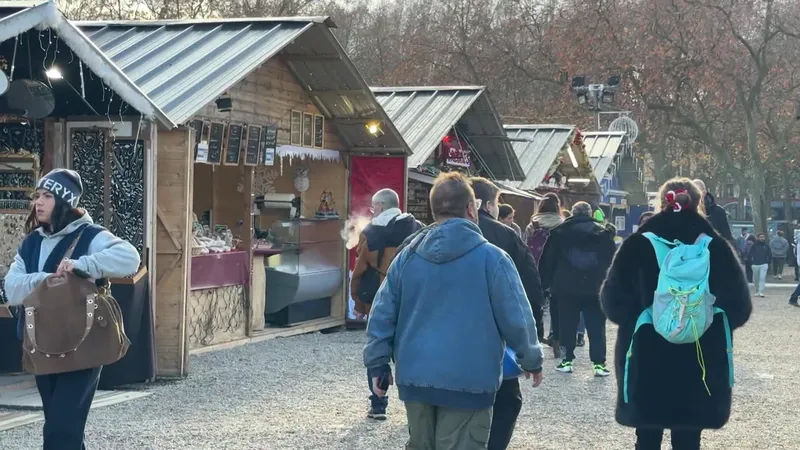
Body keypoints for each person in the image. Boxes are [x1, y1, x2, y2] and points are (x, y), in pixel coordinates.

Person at [364, 172, 544, 450]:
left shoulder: (407, 257)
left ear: (434, 211)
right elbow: (517, 317)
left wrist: (377, 363)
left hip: (416, 380)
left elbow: (382, 313)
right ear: (472, 209)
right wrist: (531, 358)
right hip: (470, 382)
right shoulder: (493, 259)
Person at [601, 177, 752, 450]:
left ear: (661, 203)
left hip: (646, 357)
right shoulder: (716, 247)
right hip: (699, 357)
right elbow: (740, 308)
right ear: (699, 204)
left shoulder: (636, 244)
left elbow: (613, 303)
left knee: (646, 436)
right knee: (688, 438)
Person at [4, 169, 140, 449]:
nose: (38, 202)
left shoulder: (90, 236)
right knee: (60, 426)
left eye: (47, 196)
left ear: (65, 201)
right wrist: (50, 280)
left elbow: (130, 258)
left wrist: (83, 265)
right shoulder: (31, 243)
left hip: (83, 346)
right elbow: (12, 289)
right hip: (42, 345)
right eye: (37, 196)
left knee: (62, 429)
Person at [469, 177, 545, 450]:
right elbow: (528, 287)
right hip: (494, 338)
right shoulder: (505, 235)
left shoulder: (426, 236)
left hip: (441, 345)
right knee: (506, 401)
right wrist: (532, 340)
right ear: (488, 204)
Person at [350, 188, 422, 420]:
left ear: (380, 206)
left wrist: (358, 301)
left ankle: (379, 404)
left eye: (374, 207)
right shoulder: (417, 228)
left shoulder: (370, 232)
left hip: (379, 298)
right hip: (411, 298)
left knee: (378, 348)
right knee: (410, 350)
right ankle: (417, 405)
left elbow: (360, 269)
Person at [538, 201, 617, 376]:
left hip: (566, 287)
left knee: (567, 324)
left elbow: (548, 260)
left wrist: (546, 284)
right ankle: (599, 363)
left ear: (573, 213)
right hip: (595, 287)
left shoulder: (559, 233)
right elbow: (612, 262)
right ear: (590, 213)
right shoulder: (603, 233)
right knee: (597, 326)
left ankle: (567, 360)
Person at [748, 232, 771, 298]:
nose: (762, 238)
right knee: (756, 279)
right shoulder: (753, 246)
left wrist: (768, 262)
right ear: (757, 238)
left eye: (763, 237)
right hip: (755, 264)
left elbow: (769, 254)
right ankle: (757, 290)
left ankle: (761, 291)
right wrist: (751, 262)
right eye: (761, 237)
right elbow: (750, 254)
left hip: (764, 264)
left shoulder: (766, 246)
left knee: (762, 278)